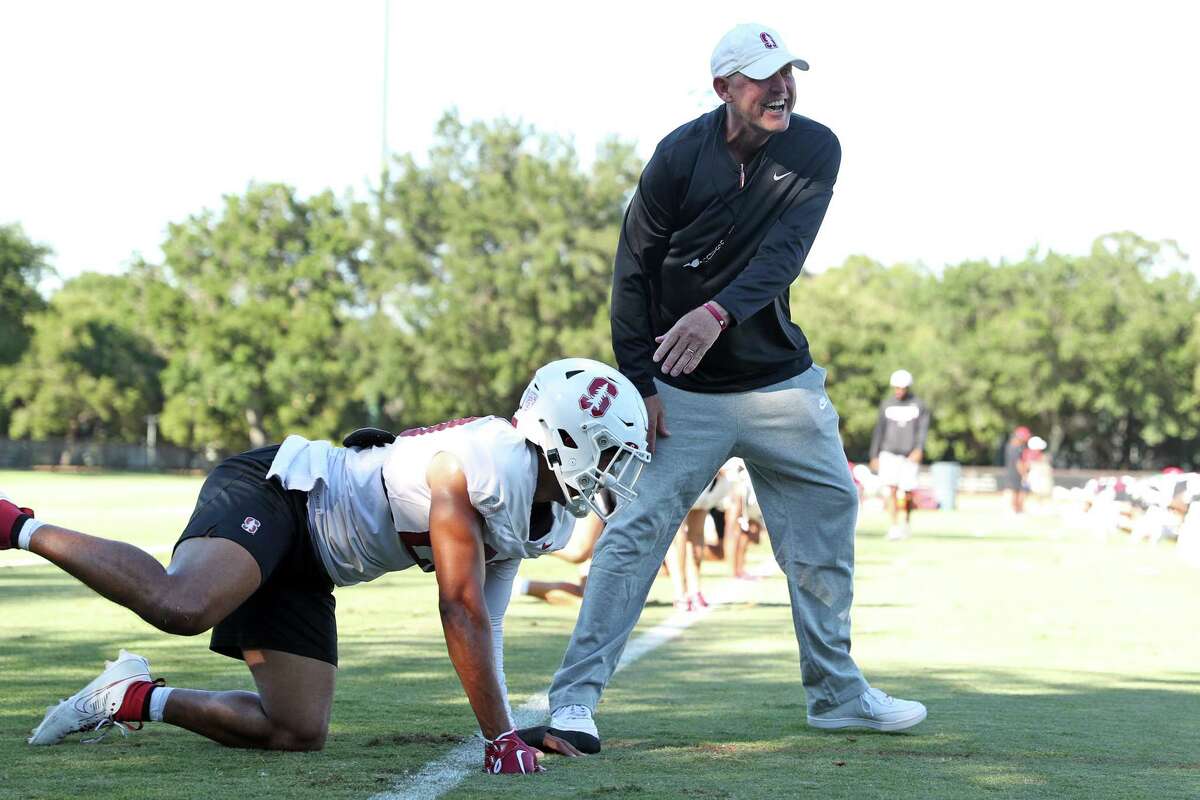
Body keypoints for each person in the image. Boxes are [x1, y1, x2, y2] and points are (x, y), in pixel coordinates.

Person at [518, 23, 926, 757]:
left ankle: (836, 697)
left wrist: (715, 313)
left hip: (781, 387)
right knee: (633, 535)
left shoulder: (815, 147)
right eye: (764, 77)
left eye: (789, 74)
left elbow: (783, 256)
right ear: (723, 90)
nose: (782, 88)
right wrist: (640, 382)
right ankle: (574, 703)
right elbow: (633, 272)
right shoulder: (678, 157)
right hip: (682, 397)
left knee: (829, 517)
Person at [0, 358, 649, 774]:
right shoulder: (482, 462)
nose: (619, 471)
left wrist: (505, 731)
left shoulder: (550, 517)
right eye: (612, 453)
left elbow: (491, 621)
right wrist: (497, 737)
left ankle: (129, 696)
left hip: (314, 562)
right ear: (565, 438)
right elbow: (460, 607)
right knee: (182, 606)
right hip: (281, 494)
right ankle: (15, 525)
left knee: (294, 729)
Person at [868, 369, 931, 541]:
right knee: (891, 489)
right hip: (888, 453)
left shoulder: (919, 405)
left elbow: (922, 431)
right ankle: (894, 526)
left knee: (908, 492)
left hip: (909, 454)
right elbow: (879, 431)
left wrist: (919, 449)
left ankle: (906, 523)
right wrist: (874, 455)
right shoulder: (886, 404)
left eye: (902, 387)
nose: (899, 391)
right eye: (896, 387)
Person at [1003, 426, 1031, 514]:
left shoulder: (1011, 446)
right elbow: (1018, 463)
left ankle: (1017, 510)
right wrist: (1024, 474)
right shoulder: (1016, 448)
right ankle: (1017, 510)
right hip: (1016, 474)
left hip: (1013, 473)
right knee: (1018, 492)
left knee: (1017, 491)